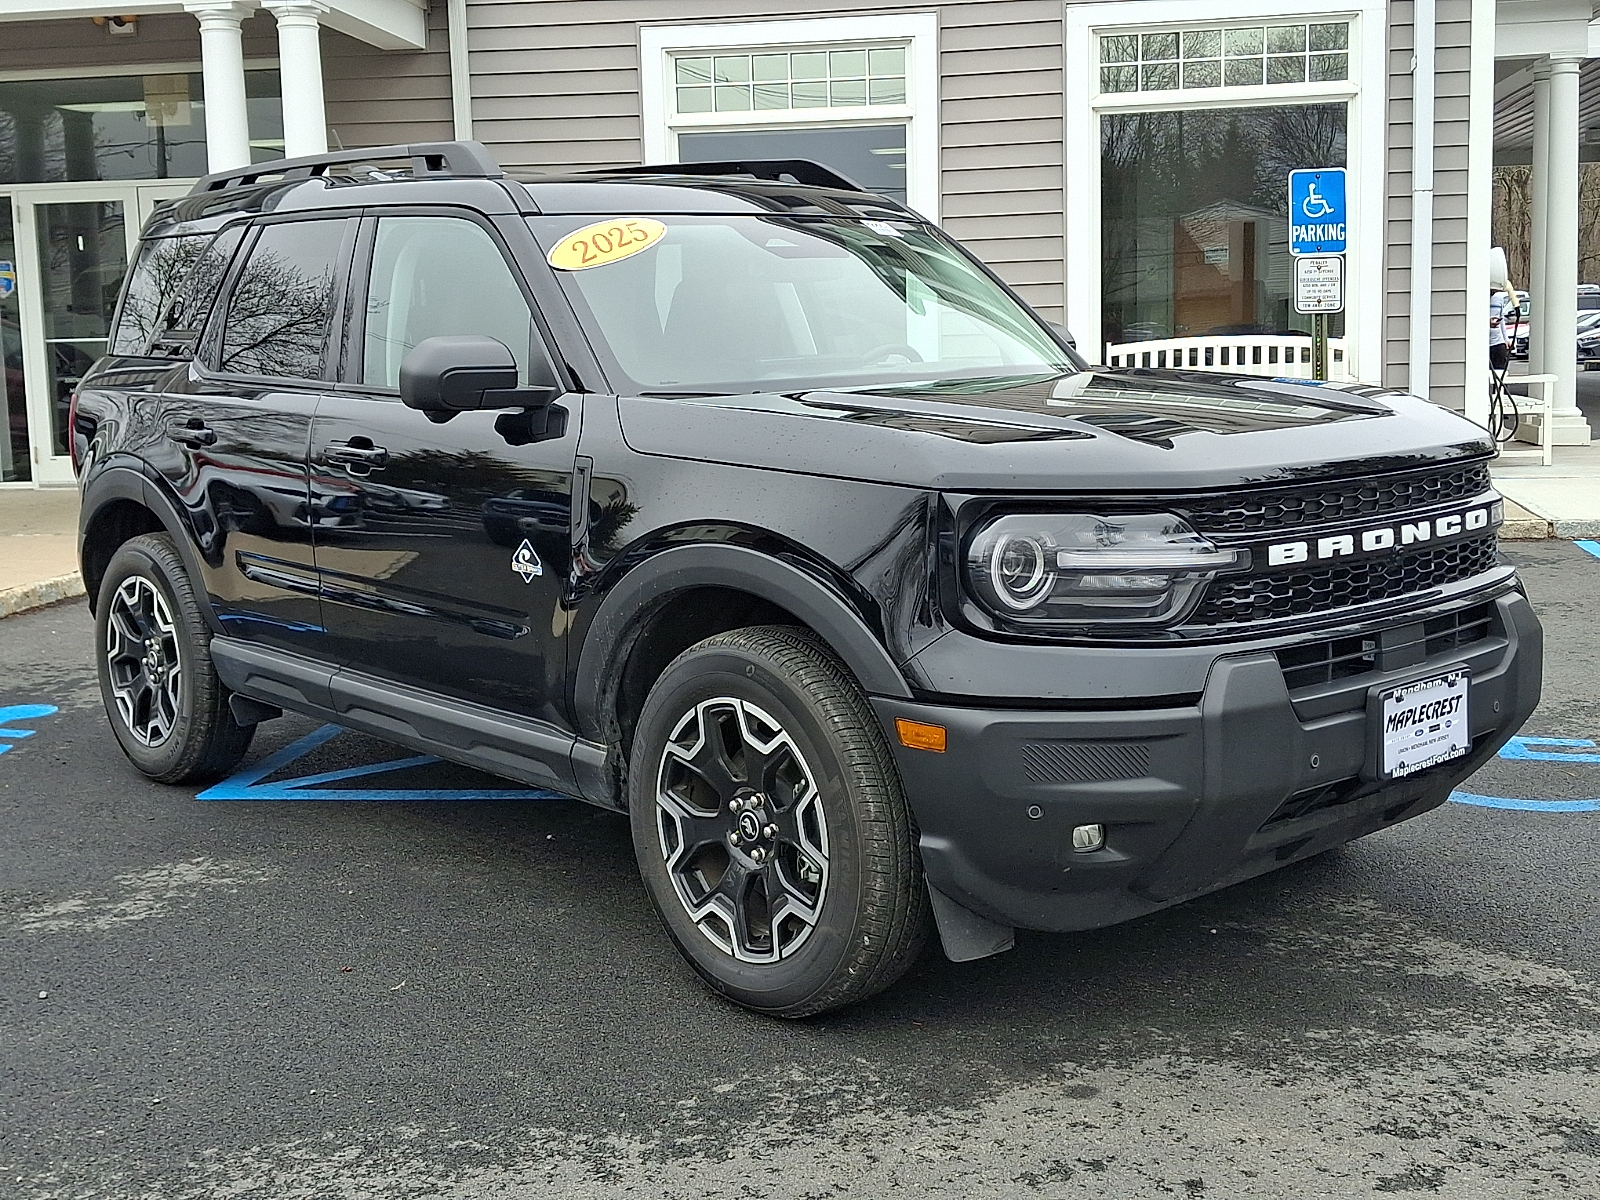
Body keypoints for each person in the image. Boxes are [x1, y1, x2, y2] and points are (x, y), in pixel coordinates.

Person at [1489, 285, 1512, 373]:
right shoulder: (1477, 297)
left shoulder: (1499, 298)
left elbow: (1501, 318)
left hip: (1498, 342)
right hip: (1484, 344)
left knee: (1500, 372)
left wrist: (1506, 339)